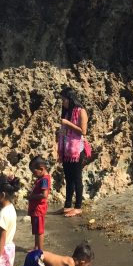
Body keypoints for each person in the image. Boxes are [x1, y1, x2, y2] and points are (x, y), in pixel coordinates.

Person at [56, 87, 88, 217]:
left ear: (70, 99)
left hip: (76, 150)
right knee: (68, 178)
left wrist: (67, 123)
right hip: (66, 150)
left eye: (64, 99)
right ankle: (67, 206)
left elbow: (83, 131)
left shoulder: (81, 111)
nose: (62, 102)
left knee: (76, 178)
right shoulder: (67, 112)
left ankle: (78, 207)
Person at [27, 156, 51, 251]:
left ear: (41, 169)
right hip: (36, 209)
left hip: (39, 209)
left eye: (34, 172)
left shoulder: (44, 179)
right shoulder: (41, 178)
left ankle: (40, 251)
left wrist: (31, 197)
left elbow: (44, 195)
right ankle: (36, 247)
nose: (34, 174)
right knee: (36, 229)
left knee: (39, 231)